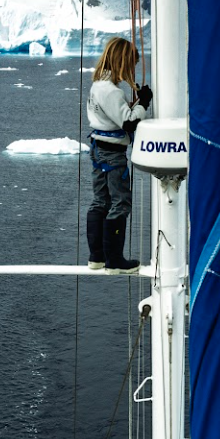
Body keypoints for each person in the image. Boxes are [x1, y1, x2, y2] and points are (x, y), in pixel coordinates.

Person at [84, 37, 151, 271]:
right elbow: (128, 123)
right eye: (131, 64)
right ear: (122, 62)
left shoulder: (97, 86)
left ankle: (97, 257)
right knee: (120, 202)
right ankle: (114, 261)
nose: (131, 70)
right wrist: (143, 103)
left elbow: (111, 117)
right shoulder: (112, 92)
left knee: (100, 200)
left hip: (98, 151)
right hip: (113, 155)